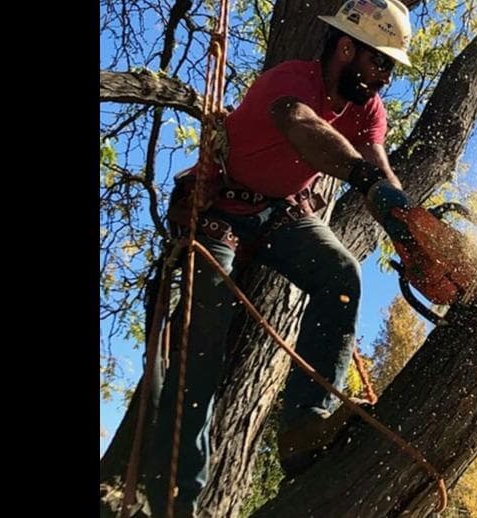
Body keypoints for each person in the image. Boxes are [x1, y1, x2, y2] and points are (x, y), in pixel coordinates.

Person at [145, 1, 416, 516]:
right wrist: (362, 180)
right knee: (202, 349)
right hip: (223, 208)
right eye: (379, 63)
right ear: (346, 47)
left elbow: (379, 164)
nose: (384, 77)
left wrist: (409, 225)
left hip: (278, 213)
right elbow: (299, 123)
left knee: (341, 272)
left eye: (389, 67)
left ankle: (303, 427)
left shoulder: (370, 108)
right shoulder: (290, 80)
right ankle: (176, 499)